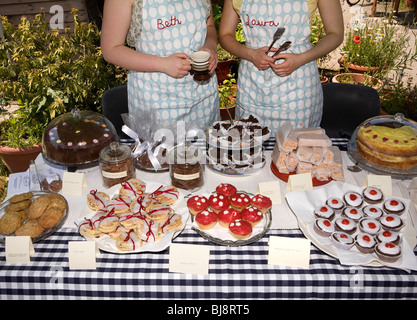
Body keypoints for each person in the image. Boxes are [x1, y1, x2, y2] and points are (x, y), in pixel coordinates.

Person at [219, 0, 344, 131]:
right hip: (252, 87)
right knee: (250, 143)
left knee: (295, 146)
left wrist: (302, 58)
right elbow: (225, 35)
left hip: (299, 87)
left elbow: (335, 33)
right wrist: (250, 54)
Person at [101, 0, 220, 134]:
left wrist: (210, 47)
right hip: (156, 101)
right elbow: (111, 49)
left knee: (205, 151)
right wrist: (162, 64)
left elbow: (209, 26)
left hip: (204, 98)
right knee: (162, 153)